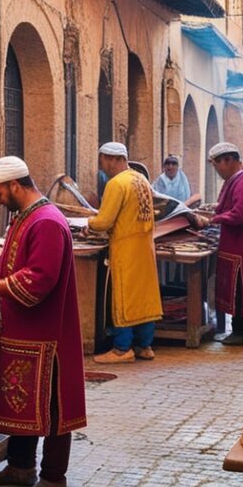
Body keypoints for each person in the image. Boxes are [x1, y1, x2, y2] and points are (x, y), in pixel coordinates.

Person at [0, 156, 86, 487]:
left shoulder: (46, 223)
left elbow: (37, 280)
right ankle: (20, 467)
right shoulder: (25, 217)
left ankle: (54, 479)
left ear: (16, 186)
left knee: (54, 407)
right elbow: (9, 259)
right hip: (27, 332)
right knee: (23, 401)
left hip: (49, 337)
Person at [85, 142, 163, 363]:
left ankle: (122, 349)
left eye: (103, 162)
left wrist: (90, 222)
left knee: (124, 297)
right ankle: (144, 346)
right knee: (144, 296)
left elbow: (104, 220)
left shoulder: (116, 183)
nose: (103, 167)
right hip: (145, 247)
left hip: (125, 248)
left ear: (111, 159)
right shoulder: (141, 179)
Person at [200, 142, 243, 347]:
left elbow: (240, 214)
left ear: (229, 161)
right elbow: (232, 205)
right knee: (240, 291)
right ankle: (239, 331)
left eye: (217, 165)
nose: (217, 171)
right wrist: (215, 208)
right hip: (239, 246)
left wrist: (213, 219)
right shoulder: (238, 179)